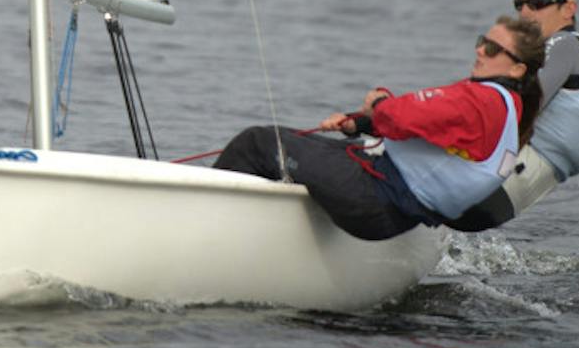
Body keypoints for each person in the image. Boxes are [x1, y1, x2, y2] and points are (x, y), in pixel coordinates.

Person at [213, 17, 546, 241]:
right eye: (481, 41)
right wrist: (362, 123)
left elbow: (403, 115)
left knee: (257, 143)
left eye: (491, 48)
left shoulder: (481, 101)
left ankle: (206, 231)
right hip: (394, 206)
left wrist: (379, 106)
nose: (478, 50)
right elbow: (428, 131)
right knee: (283, 140)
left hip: (374, 199)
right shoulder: (507, 110)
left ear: (517, 68)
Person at [449, 0, 579, 231]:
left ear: (569, 10)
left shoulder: (564, 44)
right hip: (517, 189)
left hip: (509, 176)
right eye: (519, 4)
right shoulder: (571, 55)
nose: (524, 12)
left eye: (537, 4)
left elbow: (522, 105)